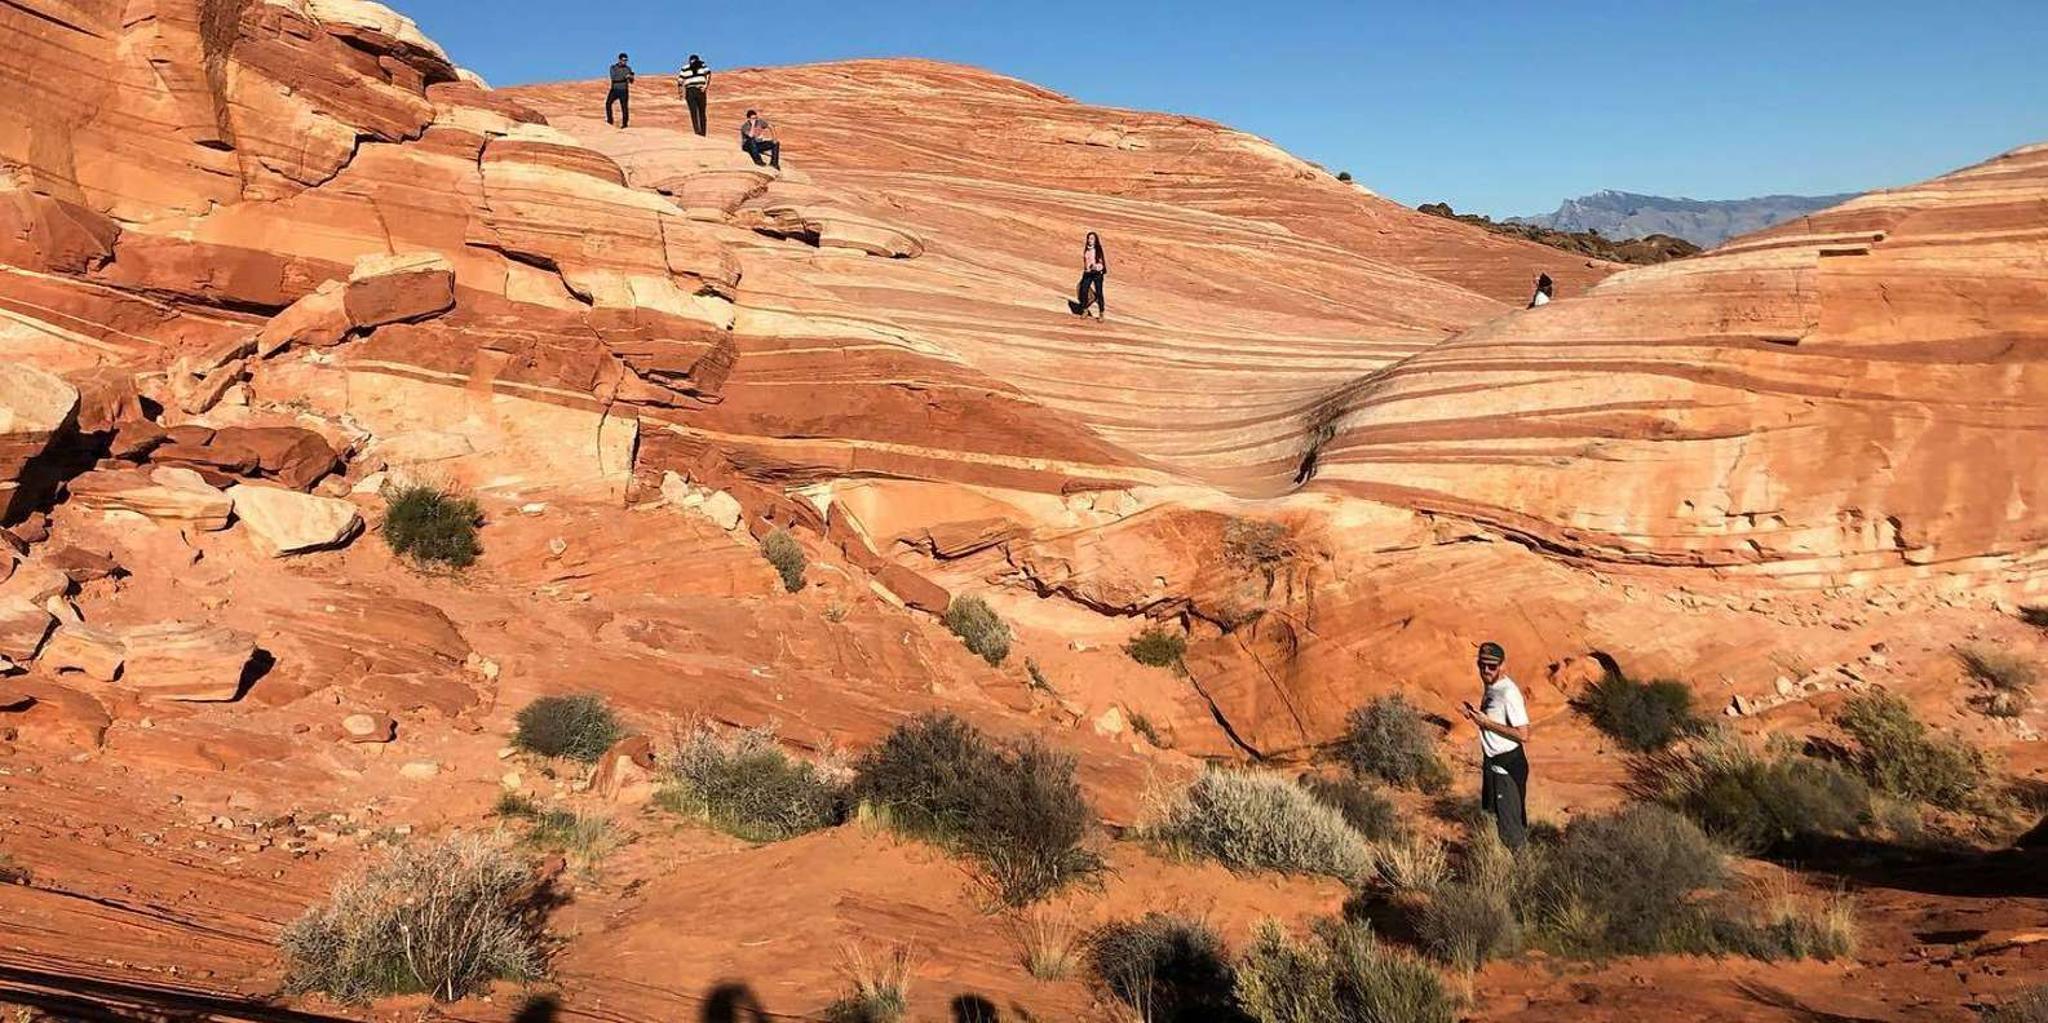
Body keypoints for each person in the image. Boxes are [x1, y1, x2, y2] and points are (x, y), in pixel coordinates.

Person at [1460, 641, 1531, 849]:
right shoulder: (1492, 687)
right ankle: (1508, 865)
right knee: (1499, 821)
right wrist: (1476, 716)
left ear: (1503, 666)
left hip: (1506, 766)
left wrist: (1486, 723)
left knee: (1510, 829)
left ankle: (1522, 874)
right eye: (1482, 665)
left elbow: (1524, 734)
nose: (1486, 670)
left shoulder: (1508, 693)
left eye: (1492, 666)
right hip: (1494, 764)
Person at [1068, 231, 1107, 319]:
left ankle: (1101, 313)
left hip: (1097, 274)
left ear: (1095, 240)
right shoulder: (1087, 249)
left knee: (1099, 292)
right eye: (1089, 238)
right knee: (1083, 290)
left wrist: (1095, 267)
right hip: (1087, 273)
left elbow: (1101, 264)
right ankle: (1085, 310)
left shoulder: (1098, 250)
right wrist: (1086, 269)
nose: (1090, 240)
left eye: (1092, 239)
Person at [676, 54, 710, 136]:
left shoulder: (702, 66)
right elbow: (680, 80)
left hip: (700, 90)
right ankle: (697, 132)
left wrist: (706, 86)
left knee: (702, 112)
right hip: (690, 91)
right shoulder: (685, 68)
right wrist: (680, 92)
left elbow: (708, 74)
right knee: (693, 112)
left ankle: (703, 133)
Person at [605, 53, 634, 128]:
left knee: (624, 107)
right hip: (614, 89)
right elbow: (613, 78)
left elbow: (631, 82)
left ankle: (625, 124)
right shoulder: (613, 67)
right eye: (623, 60)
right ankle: (610, 120)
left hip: (624, 90)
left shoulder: (628, 69)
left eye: (626, 60)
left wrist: (631, 77)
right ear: (620, 60)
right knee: (608, 104)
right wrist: (625, 77)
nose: (625, 62)